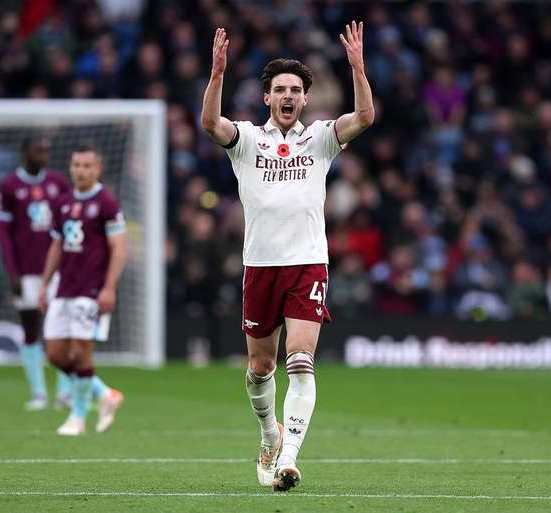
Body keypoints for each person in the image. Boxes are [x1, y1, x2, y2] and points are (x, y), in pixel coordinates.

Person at [200, 21, 374, 491]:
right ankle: (268, 435)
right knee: (260, 368)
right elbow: (210, 124)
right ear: (267, 98)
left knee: (300, 360)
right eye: (280, 89)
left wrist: (357, 68)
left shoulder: (319, 138)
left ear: (306, 98)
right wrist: (217, 74)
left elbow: (364, 117)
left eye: (296, 90)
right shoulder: (247, 140)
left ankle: (289, 459)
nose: (288, 95)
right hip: (259, 266)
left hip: (307, 264)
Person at [39, 144, 126, 436]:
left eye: (87, 166)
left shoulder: (106, 203)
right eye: (76, 165)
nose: (81, 171)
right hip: (63, 287)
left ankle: (77, 417)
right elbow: (56, 245)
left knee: (81, 350)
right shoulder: (62, 202)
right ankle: (104, 394)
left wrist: (109, 288)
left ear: (97, 169)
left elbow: (119, 248)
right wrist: (44, 284)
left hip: (91, 289)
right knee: (55, 354)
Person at [0, 136, 75, 411]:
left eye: (46, 151)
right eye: (39, 151)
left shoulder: (57, 183)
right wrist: (12, 272)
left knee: (62, 330)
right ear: (24, 152)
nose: (44, 155)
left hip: (56, 270)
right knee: (31, 329)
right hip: (25, 271)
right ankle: (39, 393)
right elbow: (4, 234)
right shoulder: (8, 186)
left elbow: (69, 226)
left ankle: (64, 393)